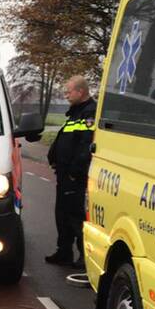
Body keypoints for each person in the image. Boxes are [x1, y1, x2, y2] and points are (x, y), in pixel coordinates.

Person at [45, 75, 96, 268]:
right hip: (64, 174)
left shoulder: (88, 113)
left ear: (80, 91)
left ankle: (84, 257)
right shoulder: (75, 112)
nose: (66, 94)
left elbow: (85, 146)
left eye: (68, 91)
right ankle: (64, 251)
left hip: (74, 177)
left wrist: (74, 172)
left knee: (76, 217)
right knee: (62, 215)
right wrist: (54, 156)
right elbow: (67, 139)